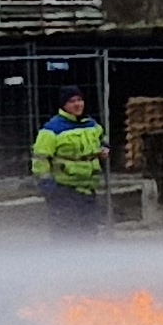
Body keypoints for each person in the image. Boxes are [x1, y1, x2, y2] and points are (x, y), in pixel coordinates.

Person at [29, 91, 104, 232]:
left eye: (79, 100)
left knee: (89, 233)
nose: (77, 104)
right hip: (63, 190)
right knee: (66, 234)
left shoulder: (91, 125)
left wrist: (105, 148)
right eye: (72, 101)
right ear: (63, 105)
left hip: (88, 189)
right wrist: (50, 188)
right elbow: (40, 160)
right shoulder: (51, 129)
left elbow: (102, 140)